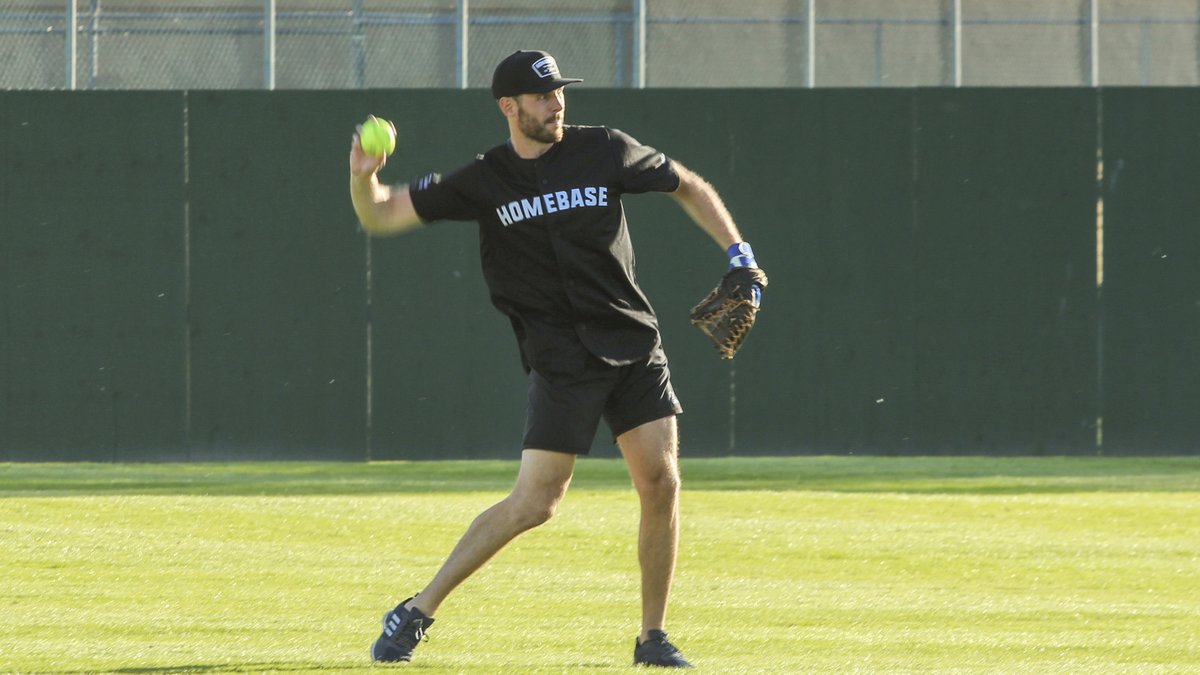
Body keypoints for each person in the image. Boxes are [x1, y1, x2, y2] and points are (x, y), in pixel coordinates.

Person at [348, 49, 765, 669]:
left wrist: (738, 252)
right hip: (561, 358)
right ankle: (416, 610)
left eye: (559, 92)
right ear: (508, 107)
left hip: (631, 342)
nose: (556, 102)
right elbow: (381, 214)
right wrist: (363, 176)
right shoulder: (485, 178)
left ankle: (652, 638)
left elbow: (689, 185)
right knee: (536, 503)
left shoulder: (604, 149)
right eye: (542, 96)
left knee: (661, 480)